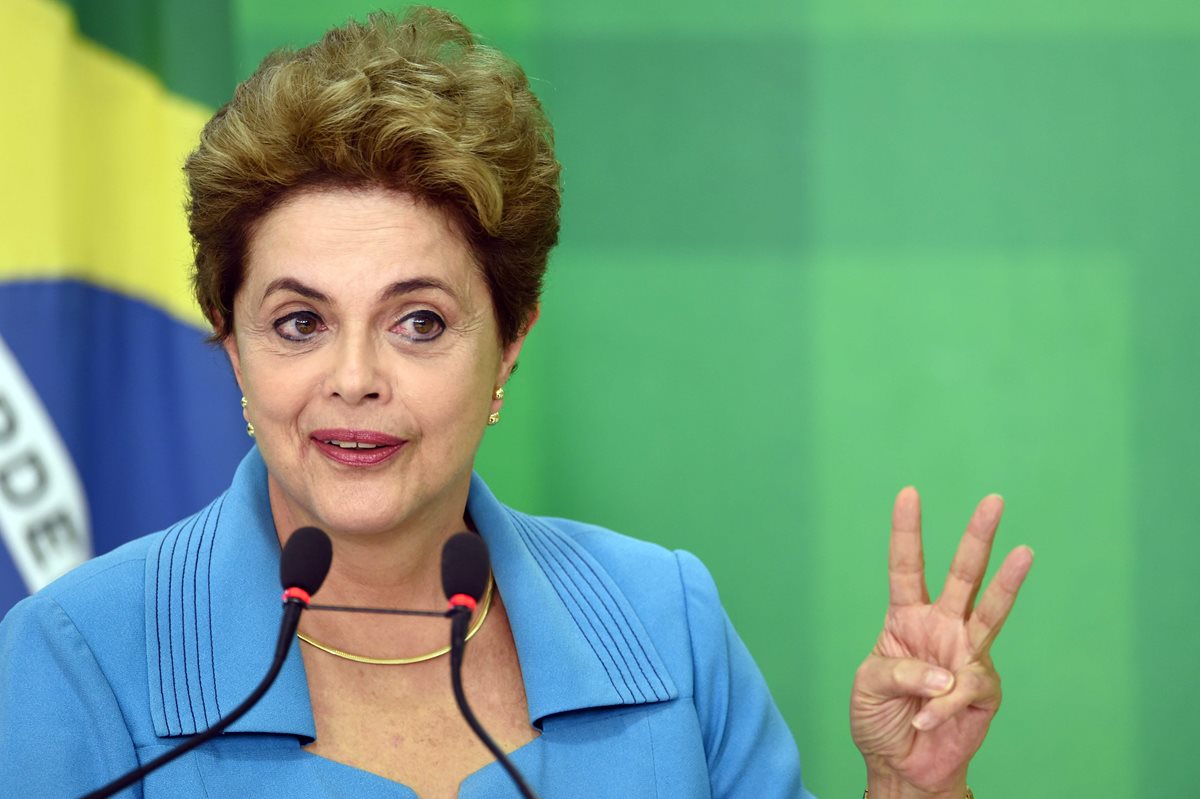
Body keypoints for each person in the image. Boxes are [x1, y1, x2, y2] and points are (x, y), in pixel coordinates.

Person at [0, 7, 1032, 798]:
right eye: (300, 322)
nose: (352, 377)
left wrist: (912, 786)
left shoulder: (664, 622)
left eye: (418, 322)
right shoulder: (77, 659)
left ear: (509, 345)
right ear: (230, 345)